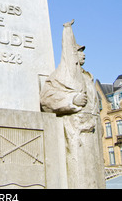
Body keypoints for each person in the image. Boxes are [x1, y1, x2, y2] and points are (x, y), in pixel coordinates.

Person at [40, 20, 105, 188]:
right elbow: (46, 100)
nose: (83, 54)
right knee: (81, 176)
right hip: (77, 134)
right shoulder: (60, 77)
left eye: (83, 51)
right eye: (78, 51)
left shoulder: (88, 77)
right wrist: (71, 101)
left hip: (93, 135)